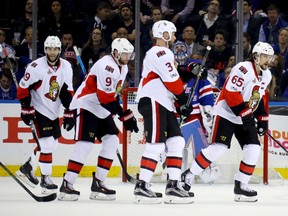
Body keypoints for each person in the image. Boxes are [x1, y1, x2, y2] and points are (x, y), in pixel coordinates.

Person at [181, 41, 274, 202]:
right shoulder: (243, 69)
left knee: (253, 148)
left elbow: (260, 97)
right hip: (226, 113)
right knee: (219, 148)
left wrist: (263, 119)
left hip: (243, 115)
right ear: (256, 56)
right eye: (265, 56)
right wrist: (245, 114)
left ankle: (241, 185)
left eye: (270, 57)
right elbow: (231, 93)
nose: (268, 60)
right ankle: (188, 175)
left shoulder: (266, 75)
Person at [58, 38, 138, 201]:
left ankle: (99, 183)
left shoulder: (121, 67)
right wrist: (124, 115)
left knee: (112, 140)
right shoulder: (106, 65)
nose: (127, 57)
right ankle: (67, 184)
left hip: (100, 107)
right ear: (115, 52)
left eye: (129, 54)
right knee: (84, 145)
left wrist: (122, 113)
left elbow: (109, 96)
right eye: (124, 54)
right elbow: (104, 97)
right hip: (86, 104)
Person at [133, 20, 194, 204]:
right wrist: (183, 100)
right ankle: (142, 186)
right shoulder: (161, 52)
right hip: (154, 100)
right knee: (156, 145)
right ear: (165, 34)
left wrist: (190, 71)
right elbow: (173, 81)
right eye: (173, 34)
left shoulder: (161, 54)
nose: (175, 37)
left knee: (177, 141)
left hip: (162, 102)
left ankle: (173, 185)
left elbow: (172, 77)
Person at [16, 36, 75, 194]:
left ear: (59, 50)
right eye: (49, 48)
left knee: (52, 144)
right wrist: (25, 108)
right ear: (45, 49)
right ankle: (45, 179)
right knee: (47, 144)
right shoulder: (36, 67)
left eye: (55, 49)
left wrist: (70, 111)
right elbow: (23, 89)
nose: (52, 52)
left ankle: (27, 167)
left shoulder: (66, 67)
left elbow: (66, 91)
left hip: (53, 110)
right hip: (38, 109)